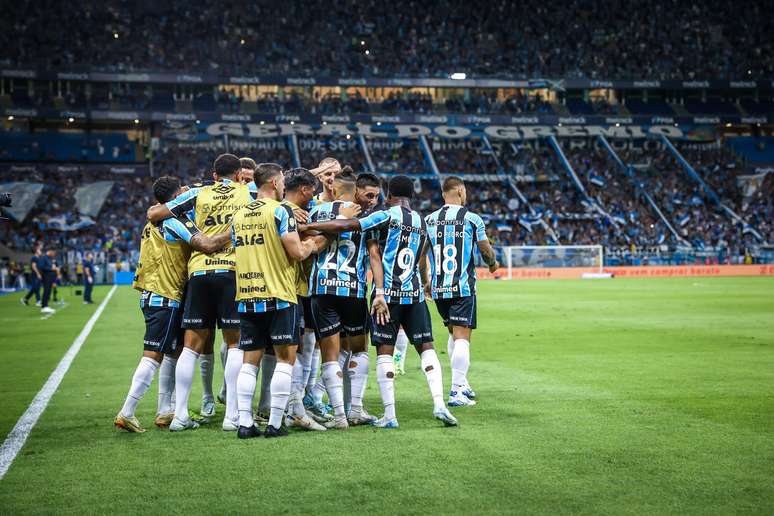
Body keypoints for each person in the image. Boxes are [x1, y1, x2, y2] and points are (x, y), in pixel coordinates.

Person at [302, 175, 458, 429]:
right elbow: (421, 257)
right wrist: (425, 282)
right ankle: (439, 403)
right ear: (411, 195)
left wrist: (305, 228)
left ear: (388, 194)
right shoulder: (421, 220)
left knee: (384, 351)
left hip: (387, 296)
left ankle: (390, 415)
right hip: (415, 293)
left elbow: (349, 227)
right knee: (427, 347)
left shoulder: (385, 215)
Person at [114, 176, 232, 433]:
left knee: (174, 352)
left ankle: (165, 410)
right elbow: (207, 244)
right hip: (164, 295)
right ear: (176, 197)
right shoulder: (174, 220)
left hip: (158, 294)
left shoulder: (151, 221)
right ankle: (127, 411)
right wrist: (237, 228)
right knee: (153, 355)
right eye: (182, 192)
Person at [147, 153, 254, 432]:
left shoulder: (198, 193)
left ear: (215, 174)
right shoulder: (248, 192)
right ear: (239, 174)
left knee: (191, 347)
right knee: (234, 345)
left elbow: (156, 214)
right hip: (232, 270)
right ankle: (232, 416)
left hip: (199, 273)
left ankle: (180, 415)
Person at [232, 164, 327, 439]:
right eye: (282, 181)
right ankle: (274, 423)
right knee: (286, 359)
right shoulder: (279, 211)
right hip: (279, 294)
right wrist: (315, 243)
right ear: (274, 182)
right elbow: (297, 252)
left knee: (250, 361)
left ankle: (245, 423)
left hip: (248, 293)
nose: (284, 185)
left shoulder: (238, 215)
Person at [307, 170, 381, 426]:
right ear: (355, 190)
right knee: (359, 349)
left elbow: (307, 249)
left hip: (321, 289)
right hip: (353, 290)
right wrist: (379, 292)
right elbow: (373, 255)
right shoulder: (368, 217)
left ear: (334, 190)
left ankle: (338, 414)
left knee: (329, 354)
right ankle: (356, 409)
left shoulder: (316, 213)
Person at [425, 176, 499, 407]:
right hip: (462, 287)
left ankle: (462, 382)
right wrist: (493, 264)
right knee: (462, 337)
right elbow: (485, 249)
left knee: (452, 334)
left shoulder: (429, 219)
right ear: (459, 190)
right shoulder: (471, 219)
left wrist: (426, 280)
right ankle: (456, 391)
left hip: (438, 287)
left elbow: (421, 256)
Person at [38, 249, 59, 315]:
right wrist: (51, 269)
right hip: (46, 277)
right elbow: (41, 267)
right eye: (53, 253)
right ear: (50, 251)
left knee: (49, 291)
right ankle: (44, 306)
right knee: (46, 290)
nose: (54, 254)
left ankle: (46, 306)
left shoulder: (50, 259)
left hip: (51, 277)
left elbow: (51, 267)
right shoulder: (44, 258)